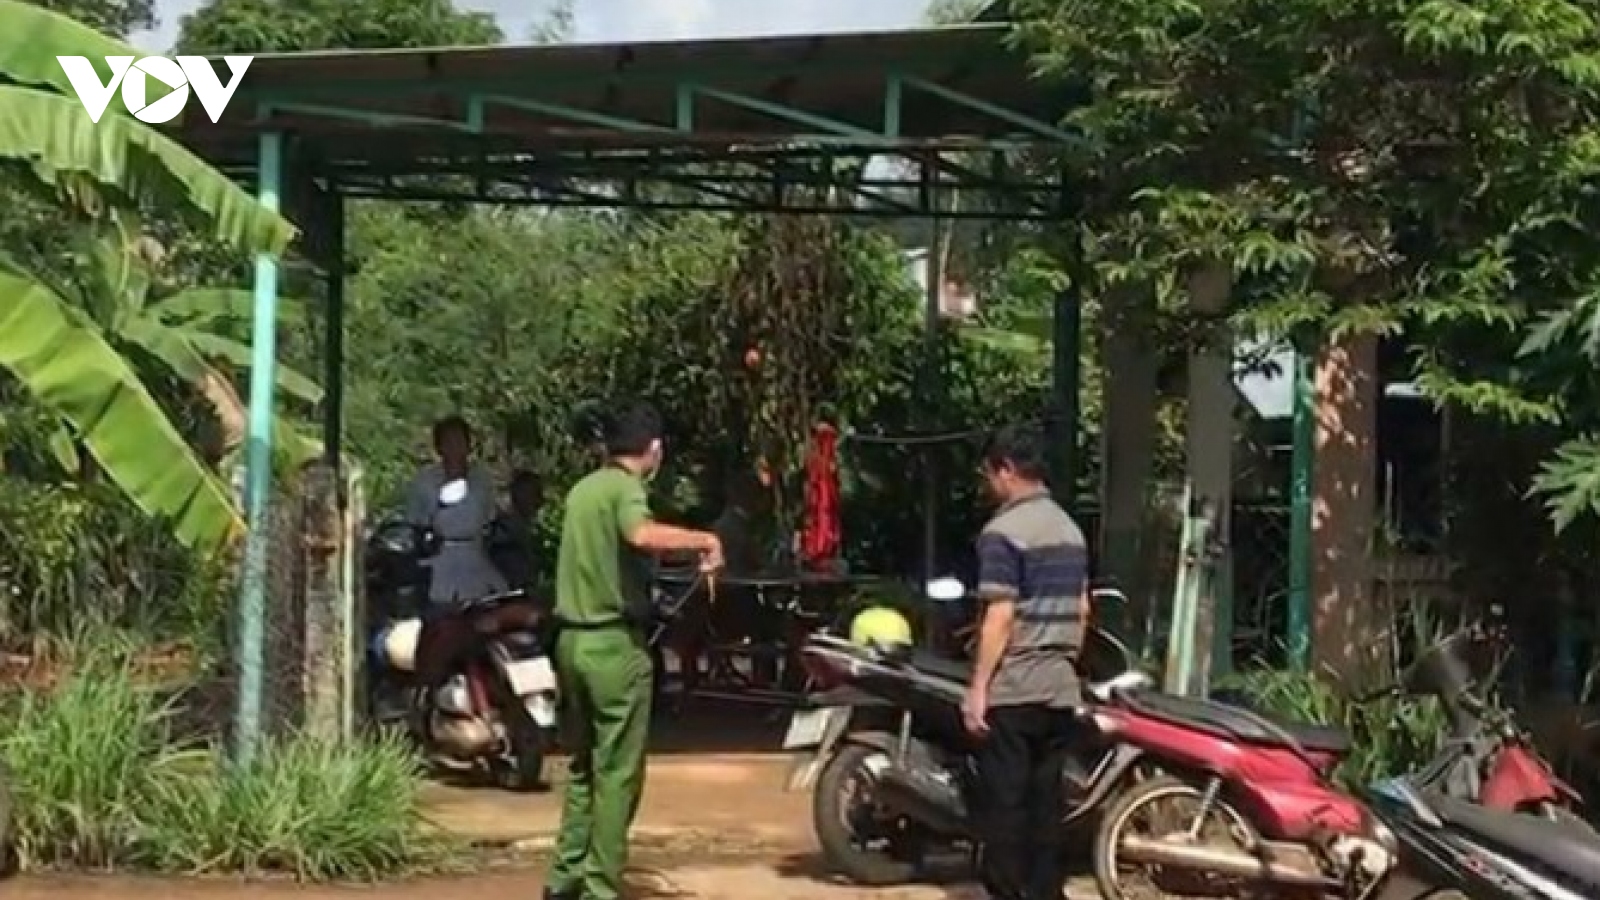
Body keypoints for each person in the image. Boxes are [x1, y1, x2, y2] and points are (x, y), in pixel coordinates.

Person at [545, 401, 724, 900]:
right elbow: (640, 534)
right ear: (655, 449)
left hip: (571, 642)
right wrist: (705, 541)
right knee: (618, 773)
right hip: (612, 646)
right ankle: (601, 887)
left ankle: (564, 879)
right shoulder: (625, 489)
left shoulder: (582, 489)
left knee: (583, 768)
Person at [962, 425, 1088, 900]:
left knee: (1006, 803)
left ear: (1007, 470)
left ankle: (1007, 891)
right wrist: (1067, 661)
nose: (988, 484)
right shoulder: (1070, 531)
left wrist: (978, 688)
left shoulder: (1002, 533)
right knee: (1045, 803)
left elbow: (1000, 615)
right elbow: (1082, 609)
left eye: (989, 474)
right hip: (1059, 688)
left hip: (1016, 687)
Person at [404, 415, 507, 604]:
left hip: (475, 555)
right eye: (449, 442)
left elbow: (489, 518)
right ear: (439, 447)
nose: (455, 447)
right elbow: (414, 522)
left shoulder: (481, 480)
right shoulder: (425, 482)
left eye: (460, 440)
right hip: (439, 558)